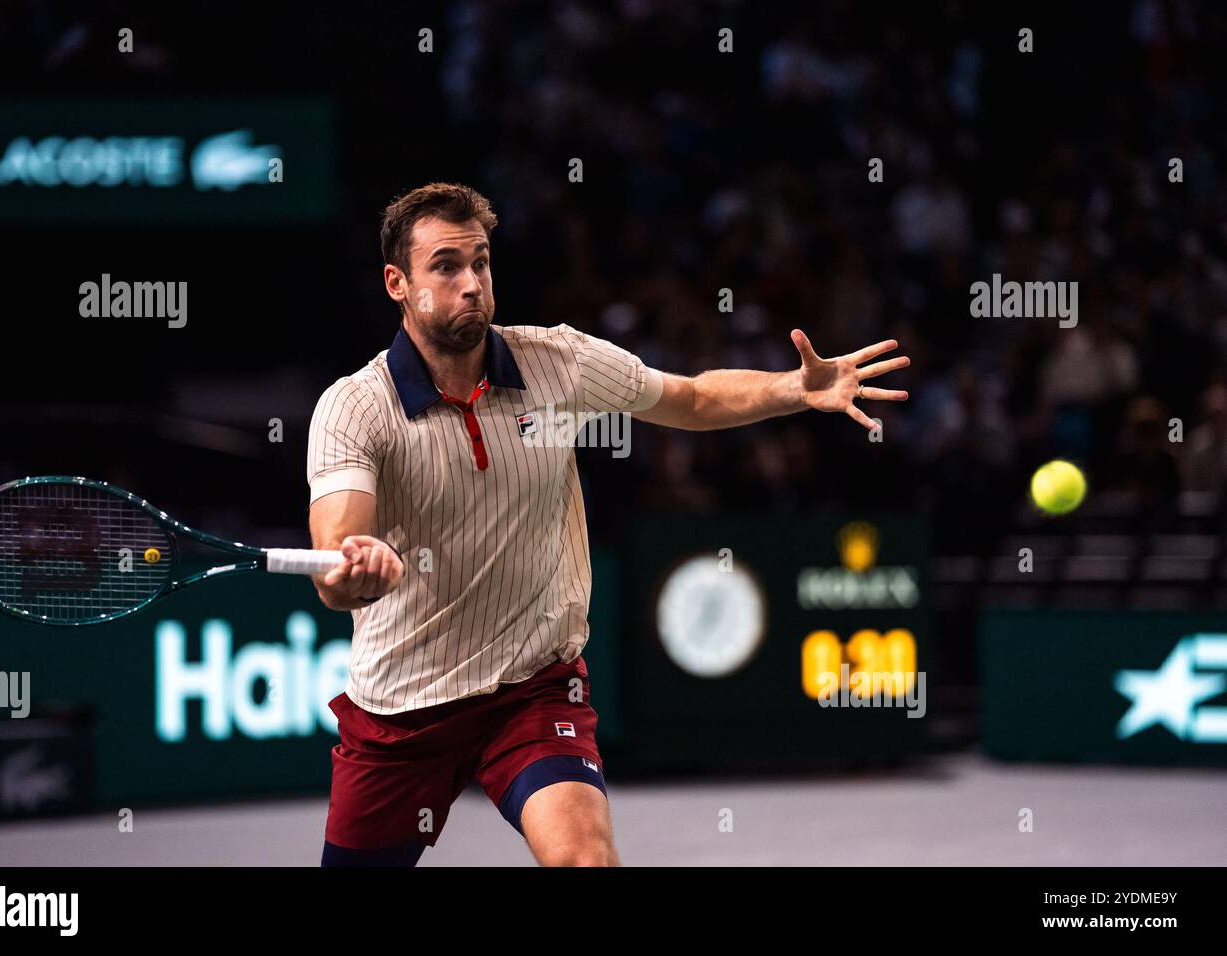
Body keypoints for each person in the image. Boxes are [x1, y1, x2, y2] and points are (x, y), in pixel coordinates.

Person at [307, 182, 909, 866]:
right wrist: (356, 571)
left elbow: (692, 398)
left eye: (480, 262)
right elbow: (337, 556)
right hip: (402, 710)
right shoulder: (355, 408)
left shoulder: (556, 364)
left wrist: (794, 389)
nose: (471, 283)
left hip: (531, 690)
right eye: (446, 266)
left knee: (585, 860)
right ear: (397, 282)